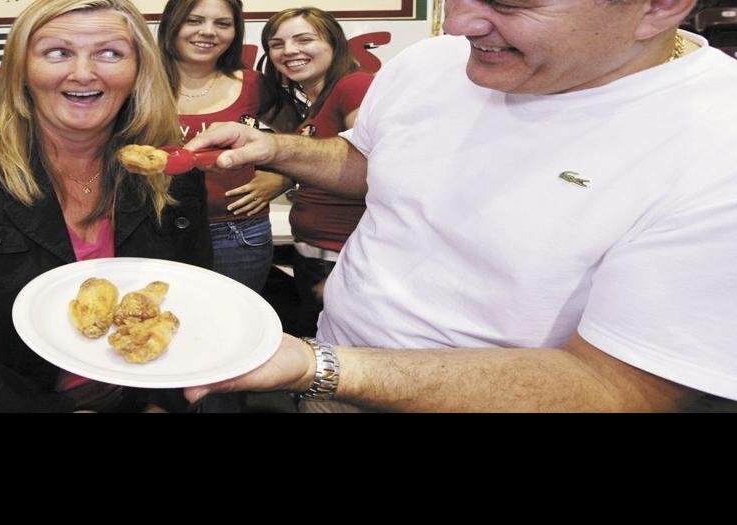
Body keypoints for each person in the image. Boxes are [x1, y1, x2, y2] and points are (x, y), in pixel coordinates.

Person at [183, 0, 737, 411]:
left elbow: (619, 389)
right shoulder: (435, 61)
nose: (458, 23)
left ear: (659, 7)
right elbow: (374, 162)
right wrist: (278, 148)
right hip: (329, 381)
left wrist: (318, 366)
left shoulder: (714, 143)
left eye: (510, 3)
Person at [0, 0, 211, 412]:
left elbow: (191, 304)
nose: (83, 72)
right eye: (58, 52)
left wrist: (162, 402)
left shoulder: (170, 173)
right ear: (21, 69)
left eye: (110, 53)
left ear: (139, 71)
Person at [158, 0, 289, 293]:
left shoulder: (254, 84)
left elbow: (303, 139)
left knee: (234, 330)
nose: (208, 32)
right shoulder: (138, 81)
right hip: (156, 229)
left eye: (223, 24)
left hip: (237, 234)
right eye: (194, 20)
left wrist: (283, 178)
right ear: (172, 23)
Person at [258, 8, 373, 336]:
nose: (289, 50)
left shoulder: (354, 85)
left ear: (334, 44)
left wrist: (348, 275)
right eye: (277, 44)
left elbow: (380, 172)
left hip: (341, 260)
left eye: (304, 39)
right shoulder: (315, 102)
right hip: (315, 256)